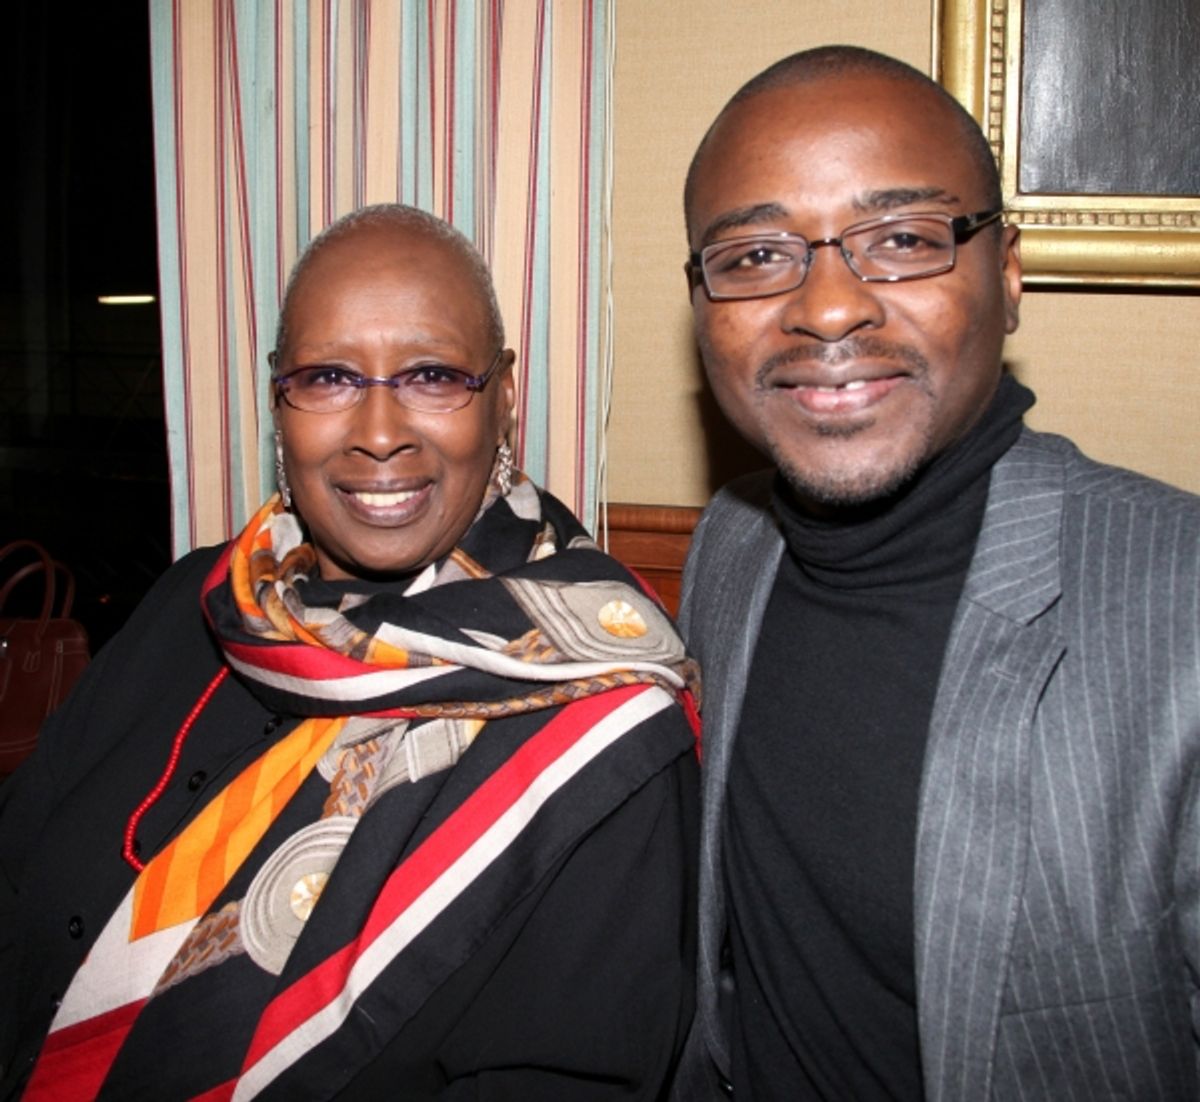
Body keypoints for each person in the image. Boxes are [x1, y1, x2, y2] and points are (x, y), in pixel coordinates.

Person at [0, 204, 699, 1100]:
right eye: (329, 376)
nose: (377, 431)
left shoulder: (597, 722)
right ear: (277, 399)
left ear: (504, 396)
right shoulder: (193, 600)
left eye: (432, 375)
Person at [673, 45, 1200, 1101]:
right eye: (757, 255)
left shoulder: (1178, 611)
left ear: (1007, 274)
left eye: (904, 240)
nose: (829, 308)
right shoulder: (731, 548)